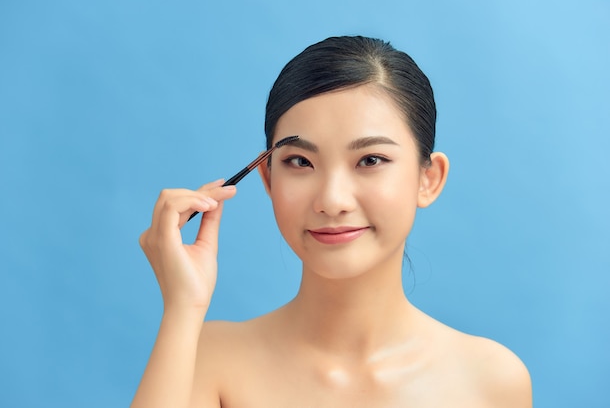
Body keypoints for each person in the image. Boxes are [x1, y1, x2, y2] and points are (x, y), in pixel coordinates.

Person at [132, 36, 532, 407]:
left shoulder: (491, 380)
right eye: (300, 162)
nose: (332, 200)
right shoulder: (208, 358)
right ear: (269, 178)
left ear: (428, 179)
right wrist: (183, 307)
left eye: (370, 160)